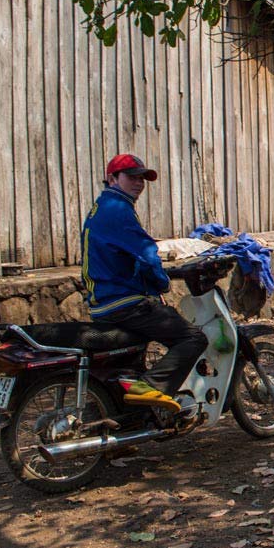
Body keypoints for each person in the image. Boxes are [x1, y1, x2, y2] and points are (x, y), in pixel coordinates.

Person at [81, 154, 207, 413]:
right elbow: (147, 253)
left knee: (129, 362)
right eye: (131, 177)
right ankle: (152, 386)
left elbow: (123, 255)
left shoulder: (101, 208)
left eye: (142, 178)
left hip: (102, 303)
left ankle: (128, 418)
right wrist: (161, 283)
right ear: (112, 178)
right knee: (192, 338)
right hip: (123, 303)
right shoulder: (117, 210)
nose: (138, 183)